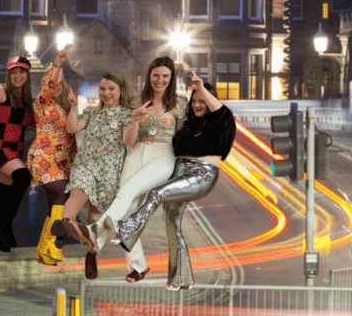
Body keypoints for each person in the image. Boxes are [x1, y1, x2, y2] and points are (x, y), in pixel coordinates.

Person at [117, 73, 236, 290]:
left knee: (156, 194)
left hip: (201, 173)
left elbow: (222, 113)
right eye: (195, 101)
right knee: (172, 225)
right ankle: (180, 278)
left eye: (203, 101)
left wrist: (201, 88)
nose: (198, 105)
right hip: (179, 172)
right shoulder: (189, 124)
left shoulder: (218, 123)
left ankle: (128, 230)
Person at [88, 56, 186, 282]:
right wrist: (134, 121)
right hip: (136, 152)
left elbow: (184, 140)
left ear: (171, 79)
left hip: (163, 156)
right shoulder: (135, 101)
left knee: (125, 194)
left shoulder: (179, 105)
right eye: (156, 75)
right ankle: (138, 267)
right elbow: (128, 141)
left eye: (165, 76)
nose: (159, 80)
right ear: (149, 76)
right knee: (127, 210)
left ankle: (94, 237)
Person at [50, 67, 133, 279]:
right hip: (86, 163)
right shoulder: (92, 112)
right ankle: (67, 224)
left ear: (120, 90)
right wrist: (74, 108)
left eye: (111, 89)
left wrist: (137, 121)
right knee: (78, 190)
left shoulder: (127, 115)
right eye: (103, 89)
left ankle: (87, 246)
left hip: (110, 171)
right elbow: (72, 128)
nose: (106, 93)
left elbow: (128, 141)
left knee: (102, 219)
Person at [0, 56, 35, 252]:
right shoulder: (0, 92)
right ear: (9, 74)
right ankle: (6, 227)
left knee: (4, 194)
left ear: (27, 74)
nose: (18, 76)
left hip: (15, 150)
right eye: (14, 72)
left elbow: (37, 125)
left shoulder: (27, 101)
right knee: (23, 176)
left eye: (22, 72)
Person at [28, 45, 77, 265]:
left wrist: (75, 107)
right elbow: (49, 86)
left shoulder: (68, 107)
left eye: (60, 82)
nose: (56, 85)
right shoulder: (41, 104)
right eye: (52, 82)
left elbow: (74, 135)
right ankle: (52, 247)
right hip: (42, 156)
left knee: (59, 202)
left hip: (62, 160)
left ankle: (42, 250)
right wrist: (57, 62)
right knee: (58, 193)